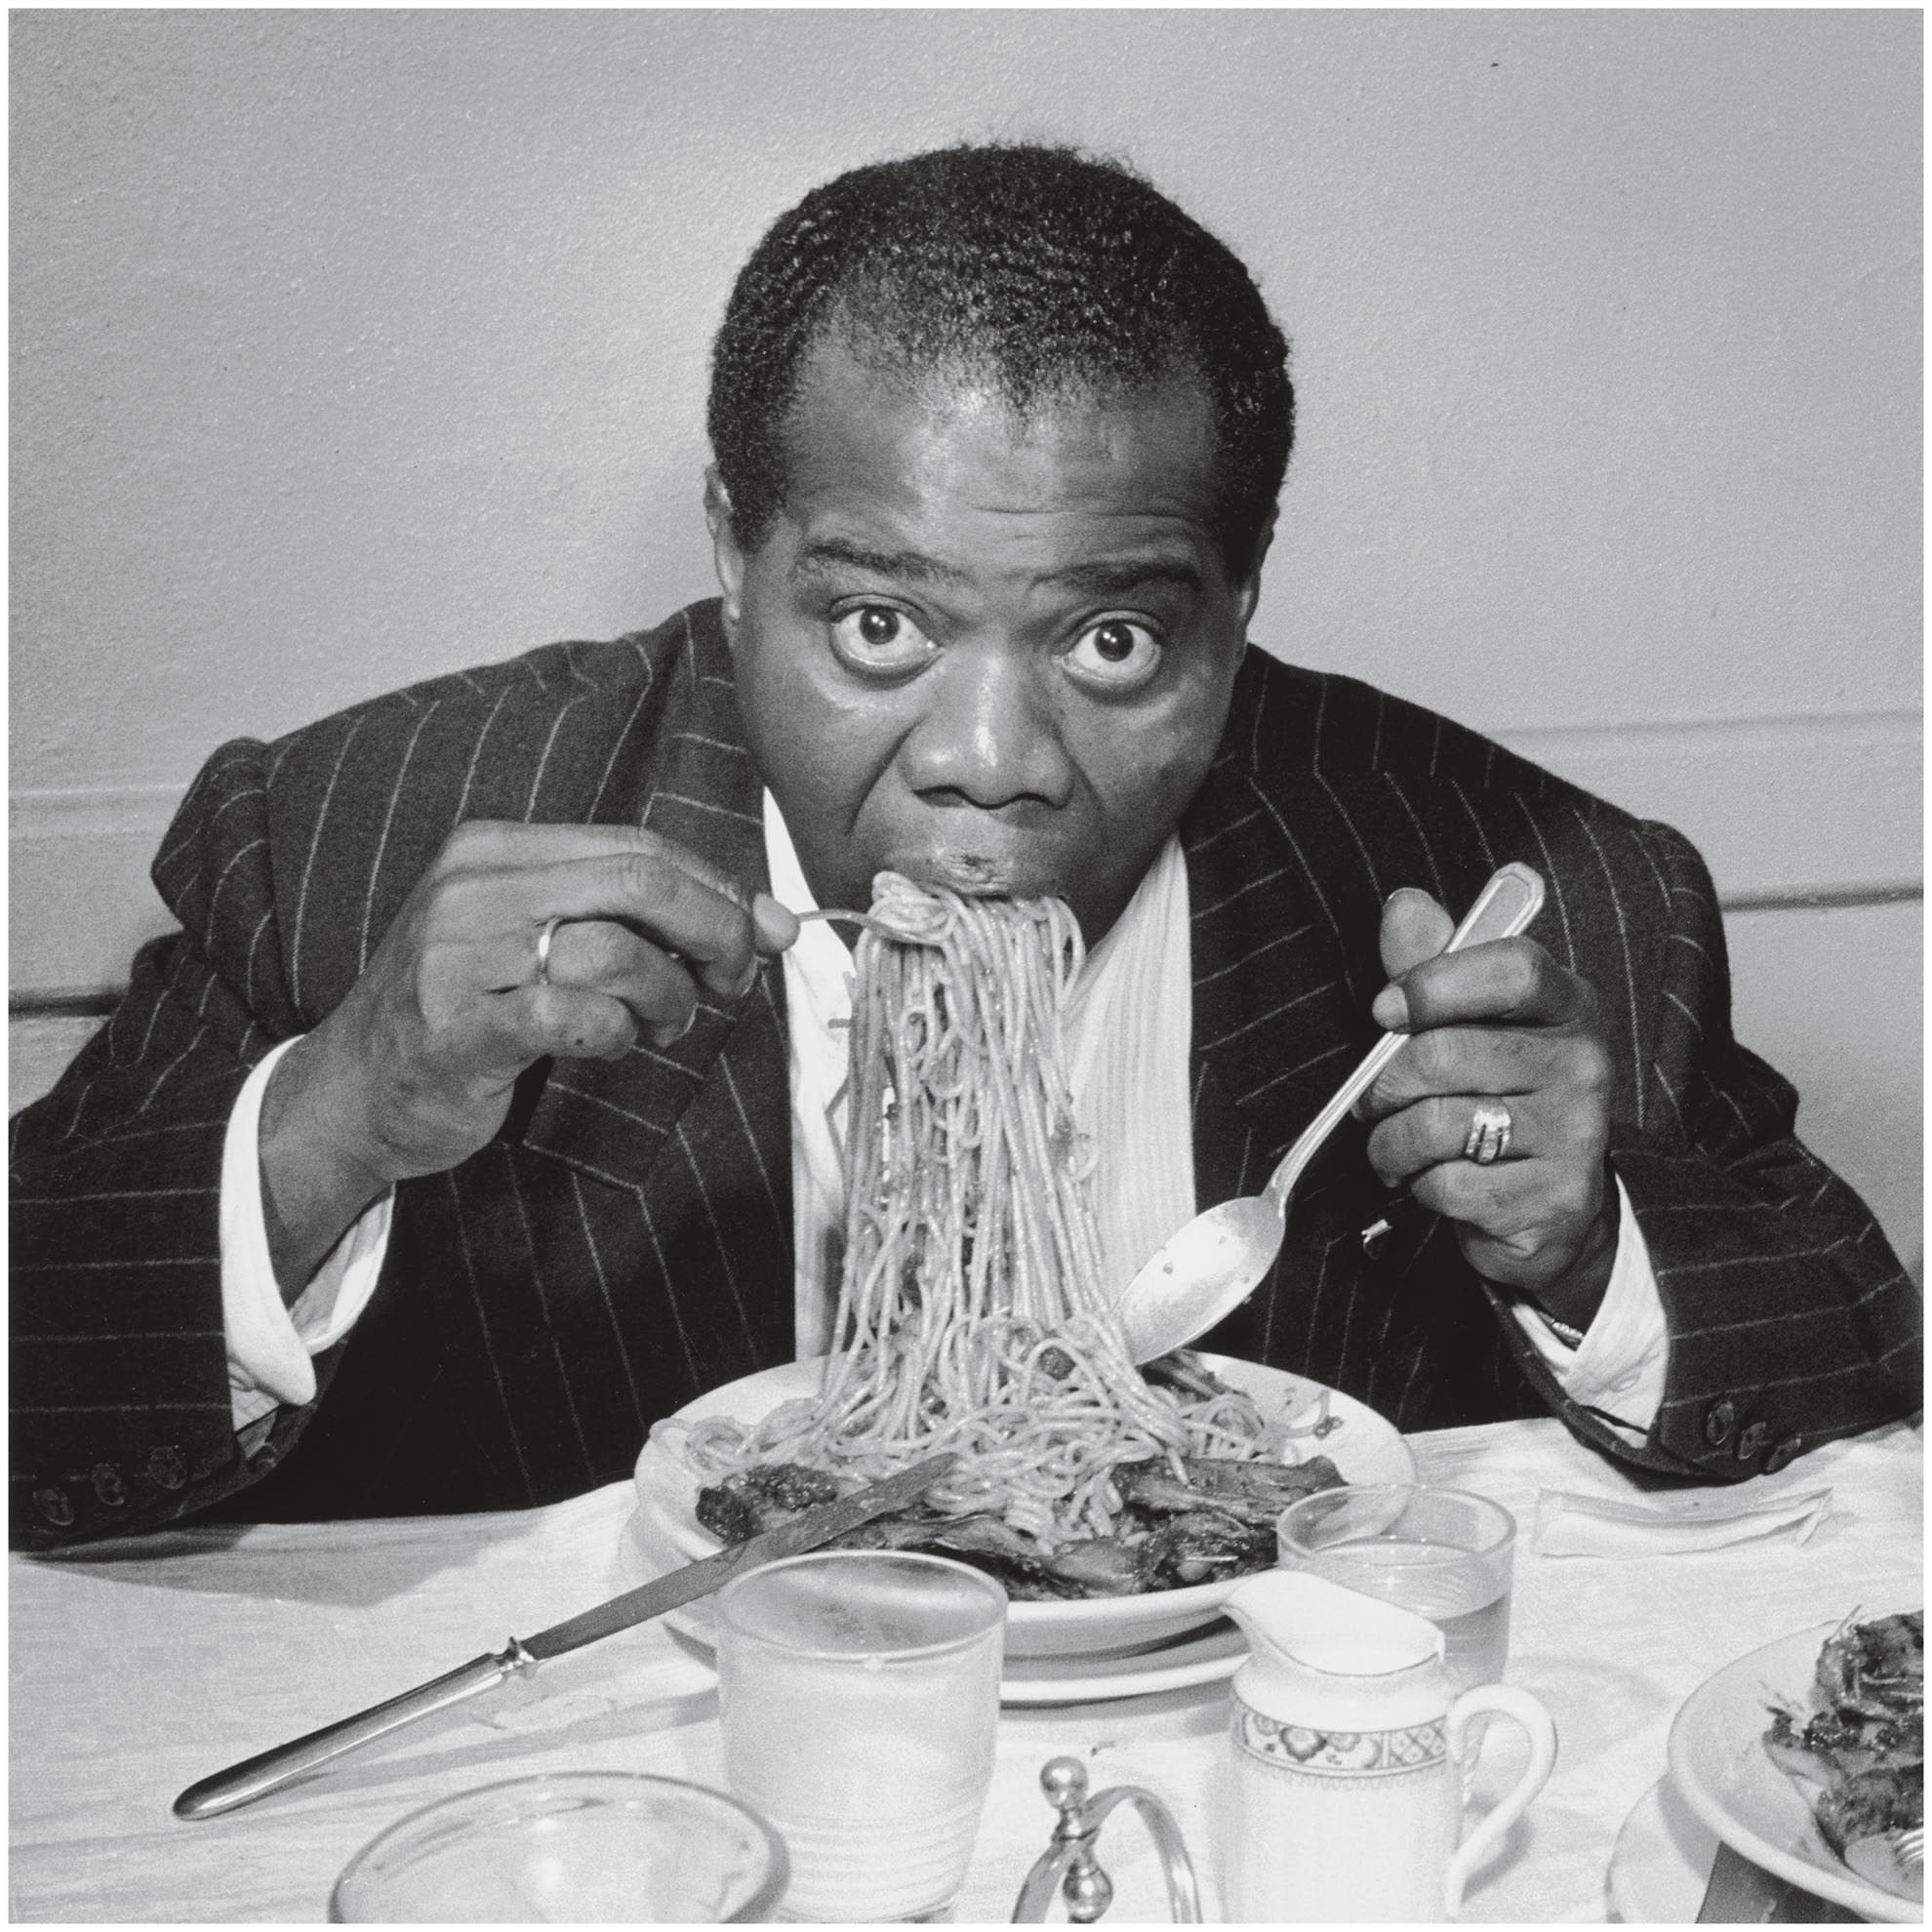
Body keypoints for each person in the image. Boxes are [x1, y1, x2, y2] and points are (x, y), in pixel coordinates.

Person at [12, 144, 1916, 1549]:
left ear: (1237, 611)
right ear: (730, 553)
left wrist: (1590, 1237)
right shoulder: (357, 839)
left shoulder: (1545, 879)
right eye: (877, 628)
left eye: (1111, 639)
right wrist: (338, 1118)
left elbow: (1855, 1375)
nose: (990, 763)